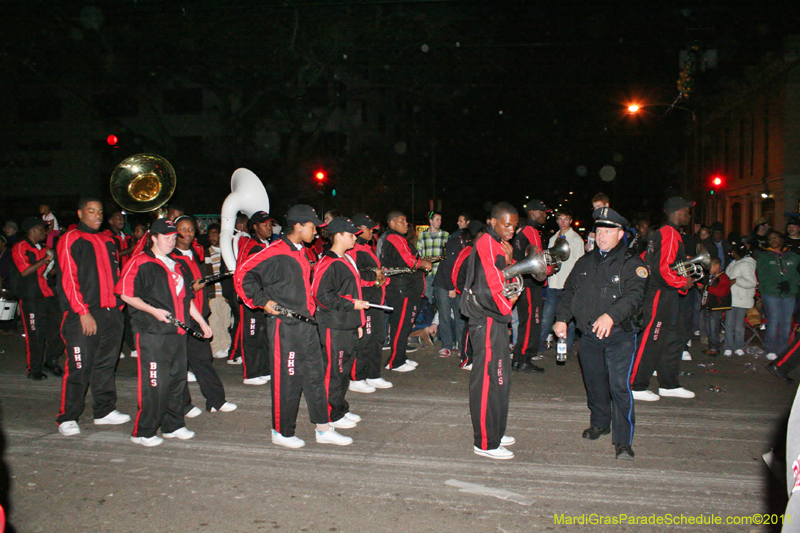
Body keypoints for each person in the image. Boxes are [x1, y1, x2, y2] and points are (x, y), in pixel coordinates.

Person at [235, 204, 351, 448]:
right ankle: (281, 432)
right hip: (286, 327)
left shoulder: (301, 251)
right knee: (288, 380)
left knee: (315, 377)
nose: (316, 233)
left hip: (307, 326)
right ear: (298, 226)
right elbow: (243, 273)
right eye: (312, 227)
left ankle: (322, 428)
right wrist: (262, 301)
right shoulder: (276, 250)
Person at [554, 207, 646, 460]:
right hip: (590, 335)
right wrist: (562, 319)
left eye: (608, 231)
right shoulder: (585, 262)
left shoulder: (632, 263)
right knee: (594, 384)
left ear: (620, 234)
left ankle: (623, 440)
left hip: (619, 336)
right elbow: (570, 291)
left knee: (618, 386)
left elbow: (635, 297)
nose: (602, 235)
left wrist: (611, 315)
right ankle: (600, 423)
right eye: (599, 230)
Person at [117, 218, 213, 446]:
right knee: (154, 383)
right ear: (154, 238)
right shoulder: (140, 261)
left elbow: (186, 298)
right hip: (153, 333)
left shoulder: (176, 263)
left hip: (178, 333)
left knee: (177, 381)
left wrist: (201, 321)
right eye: (166, 237)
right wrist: (154, 311)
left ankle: (173, 425)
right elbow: (125, 293)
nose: (171, 241)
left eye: (173, 237)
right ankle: (144, 431)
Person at [55, 198, 130, 436]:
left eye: (99, 211)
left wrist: (118, 308)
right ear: (80, 213)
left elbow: (115, 275)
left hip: (111, 314)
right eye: (91, 211)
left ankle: (104, 411)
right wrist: (83, 312)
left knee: (106, 365)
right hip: (83, 314)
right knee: (79, 366)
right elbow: (68, 278)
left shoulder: (108, 240)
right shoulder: (71, 238)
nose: (97, 216)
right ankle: (68, 416)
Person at [460, 202, 519, 460]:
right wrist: (511, 302)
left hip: (495, 319)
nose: (512, 230)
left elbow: (505, 275)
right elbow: (494, 286)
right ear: (493, 222)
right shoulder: (485, 242)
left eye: (515, 226)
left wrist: (510, 261)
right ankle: (485, 441)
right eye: (507, 224)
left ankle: (495, 428)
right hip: (486, 318)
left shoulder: (496, 244)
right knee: (486, 380)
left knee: (500, 377)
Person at [629, 197, 696, 401]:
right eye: (687, 211)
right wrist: (682, 282)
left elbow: (649, 260)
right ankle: (635, 385)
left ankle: (669, 384)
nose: (689, 215)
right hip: (661, 293)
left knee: (675, 337)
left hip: (666, 294)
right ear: (677, 211)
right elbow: (663, 268)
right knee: (652, 337)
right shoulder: (669, 233)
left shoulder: (665, 233)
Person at [171, 216, 236, 416]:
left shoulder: (193, 253)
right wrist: (193, 288)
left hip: (197, 315)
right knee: (178, 363)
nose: (188, 233)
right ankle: (183, 404)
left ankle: (216, 401)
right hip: (180, 317)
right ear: (174, 232)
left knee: (203, 359)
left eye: (191, 229)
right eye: (183, 229)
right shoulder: (170, 256)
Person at [312, 217, 369, 432]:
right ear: (338, 236)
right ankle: (328, 416)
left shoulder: (345, 259)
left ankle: (339, 408)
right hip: (333, 326)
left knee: (342, 371)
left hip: (347, 324)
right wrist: (351, 305)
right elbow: (319, 295)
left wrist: (358, 322)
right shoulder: (328, 262)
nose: (355, 237)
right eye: (351, 234)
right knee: (333, 371)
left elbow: (353, 292)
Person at [11, 217, 63, 379]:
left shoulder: (44, 248)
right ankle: (34, 370)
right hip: (31, 298)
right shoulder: (20, 247)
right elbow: (25, 271)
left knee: (59, 330)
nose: (44, 232)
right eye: (42, 229)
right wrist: (45, 259)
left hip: (48, 295)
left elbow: (49, 272)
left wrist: (56, 263)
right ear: (33, 230)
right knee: (36, 335)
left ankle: (51, 360)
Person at [380, 211, 432, 372]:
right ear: (392, 223)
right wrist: (424, 264)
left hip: (407, 289)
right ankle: (395, 361)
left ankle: (400, 356)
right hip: (402, 290)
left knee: (404, 325)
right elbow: (409, 261)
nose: (406, 224)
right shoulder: (394, 238)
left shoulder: (399, 239)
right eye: (402, 221)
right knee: (401, 325)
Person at [347, 213, 392, 393]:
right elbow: (355, 275)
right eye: (369, 228)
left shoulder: (366, 247)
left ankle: (373, 374)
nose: (372, 231)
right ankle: (356, 377)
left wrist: (381, 277)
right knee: (365, 339)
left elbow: (375, 272)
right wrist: (375, 278)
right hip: (365, 301)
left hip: (376, 301)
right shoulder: (354, 249)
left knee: (377, 338)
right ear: (359, 230)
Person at [538, 208, 584, 358]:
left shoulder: (576, 240)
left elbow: (580, 264)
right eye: (560, 219)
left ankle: (567, 349)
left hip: (568, 285)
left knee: (568, 320)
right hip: (554, 283)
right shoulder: (553, 239)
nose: (562, 222)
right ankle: (539, 348)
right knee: (546, 318)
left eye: (566, 219)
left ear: (570, 221)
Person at [511, 199, 550, 374]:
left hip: (523, 282)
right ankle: (524, 359)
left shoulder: (523, 232)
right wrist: (550, 269)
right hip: (530, 283)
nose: (545, 215)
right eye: (542, 212)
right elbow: (538, 261)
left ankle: (518, 358)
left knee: (525, 322)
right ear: (533, 212)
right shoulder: (531, 232)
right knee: (531, 323)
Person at [757, 231, 800, 360]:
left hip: (789, 293)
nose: (774, 240)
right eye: (771, 238)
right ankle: (770, 349)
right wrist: (777, 283)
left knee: (786, 322)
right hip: (771, 292)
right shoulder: (764, 256)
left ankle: (783, 349)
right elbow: (763, 276)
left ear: (782, 239)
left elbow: (796, 274)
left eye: (777, 237)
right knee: (774, 320)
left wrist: (790, 284)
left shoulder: (793, 256)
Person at [204, 223, 233, 359]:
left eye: (214, 234)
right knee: (214, 320)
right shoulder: (207, 252)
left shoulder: (226, 252)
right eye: (210, 234)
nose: (212, 237)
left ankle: (226, 344)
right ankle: (216, 347)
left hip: (224, 292)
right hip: (213, 292)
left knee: (225, 320)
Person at [723, 242, 757, 357]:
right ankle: (728, 346)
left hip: (741, 299)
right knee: (728, 324)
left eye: (733, 251)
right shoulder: (733, 263)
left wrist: (736, 280)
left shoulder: (747, 264)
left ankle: (738, 346)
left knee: (738, 326)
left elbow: (752, 282)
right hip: (731, 298)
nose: (731, 253)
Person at [696, 258, 731, 356]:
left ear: (717, 266)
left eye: (709, 266)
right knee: (709, 328)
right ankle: (712, 347)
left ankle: (714, 348)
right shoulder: (712, 277)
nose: (708, 268)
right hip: (709, 306)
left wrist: (706, 288)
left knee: (713, 329)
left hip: (716, 307)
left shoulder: (723, 277)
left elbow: (721, 292)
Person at [416, 211, 449, 306]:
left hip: (440, 272)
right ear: (431, 221)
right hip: (427, 272)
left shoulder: (445, 235)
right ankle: (428, 317)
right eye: (437, 220)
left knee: (442, 301)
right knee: (427, 299)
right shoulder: (422, 235)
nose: (439, 222)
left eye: (440, 220)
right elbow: (419, 253)